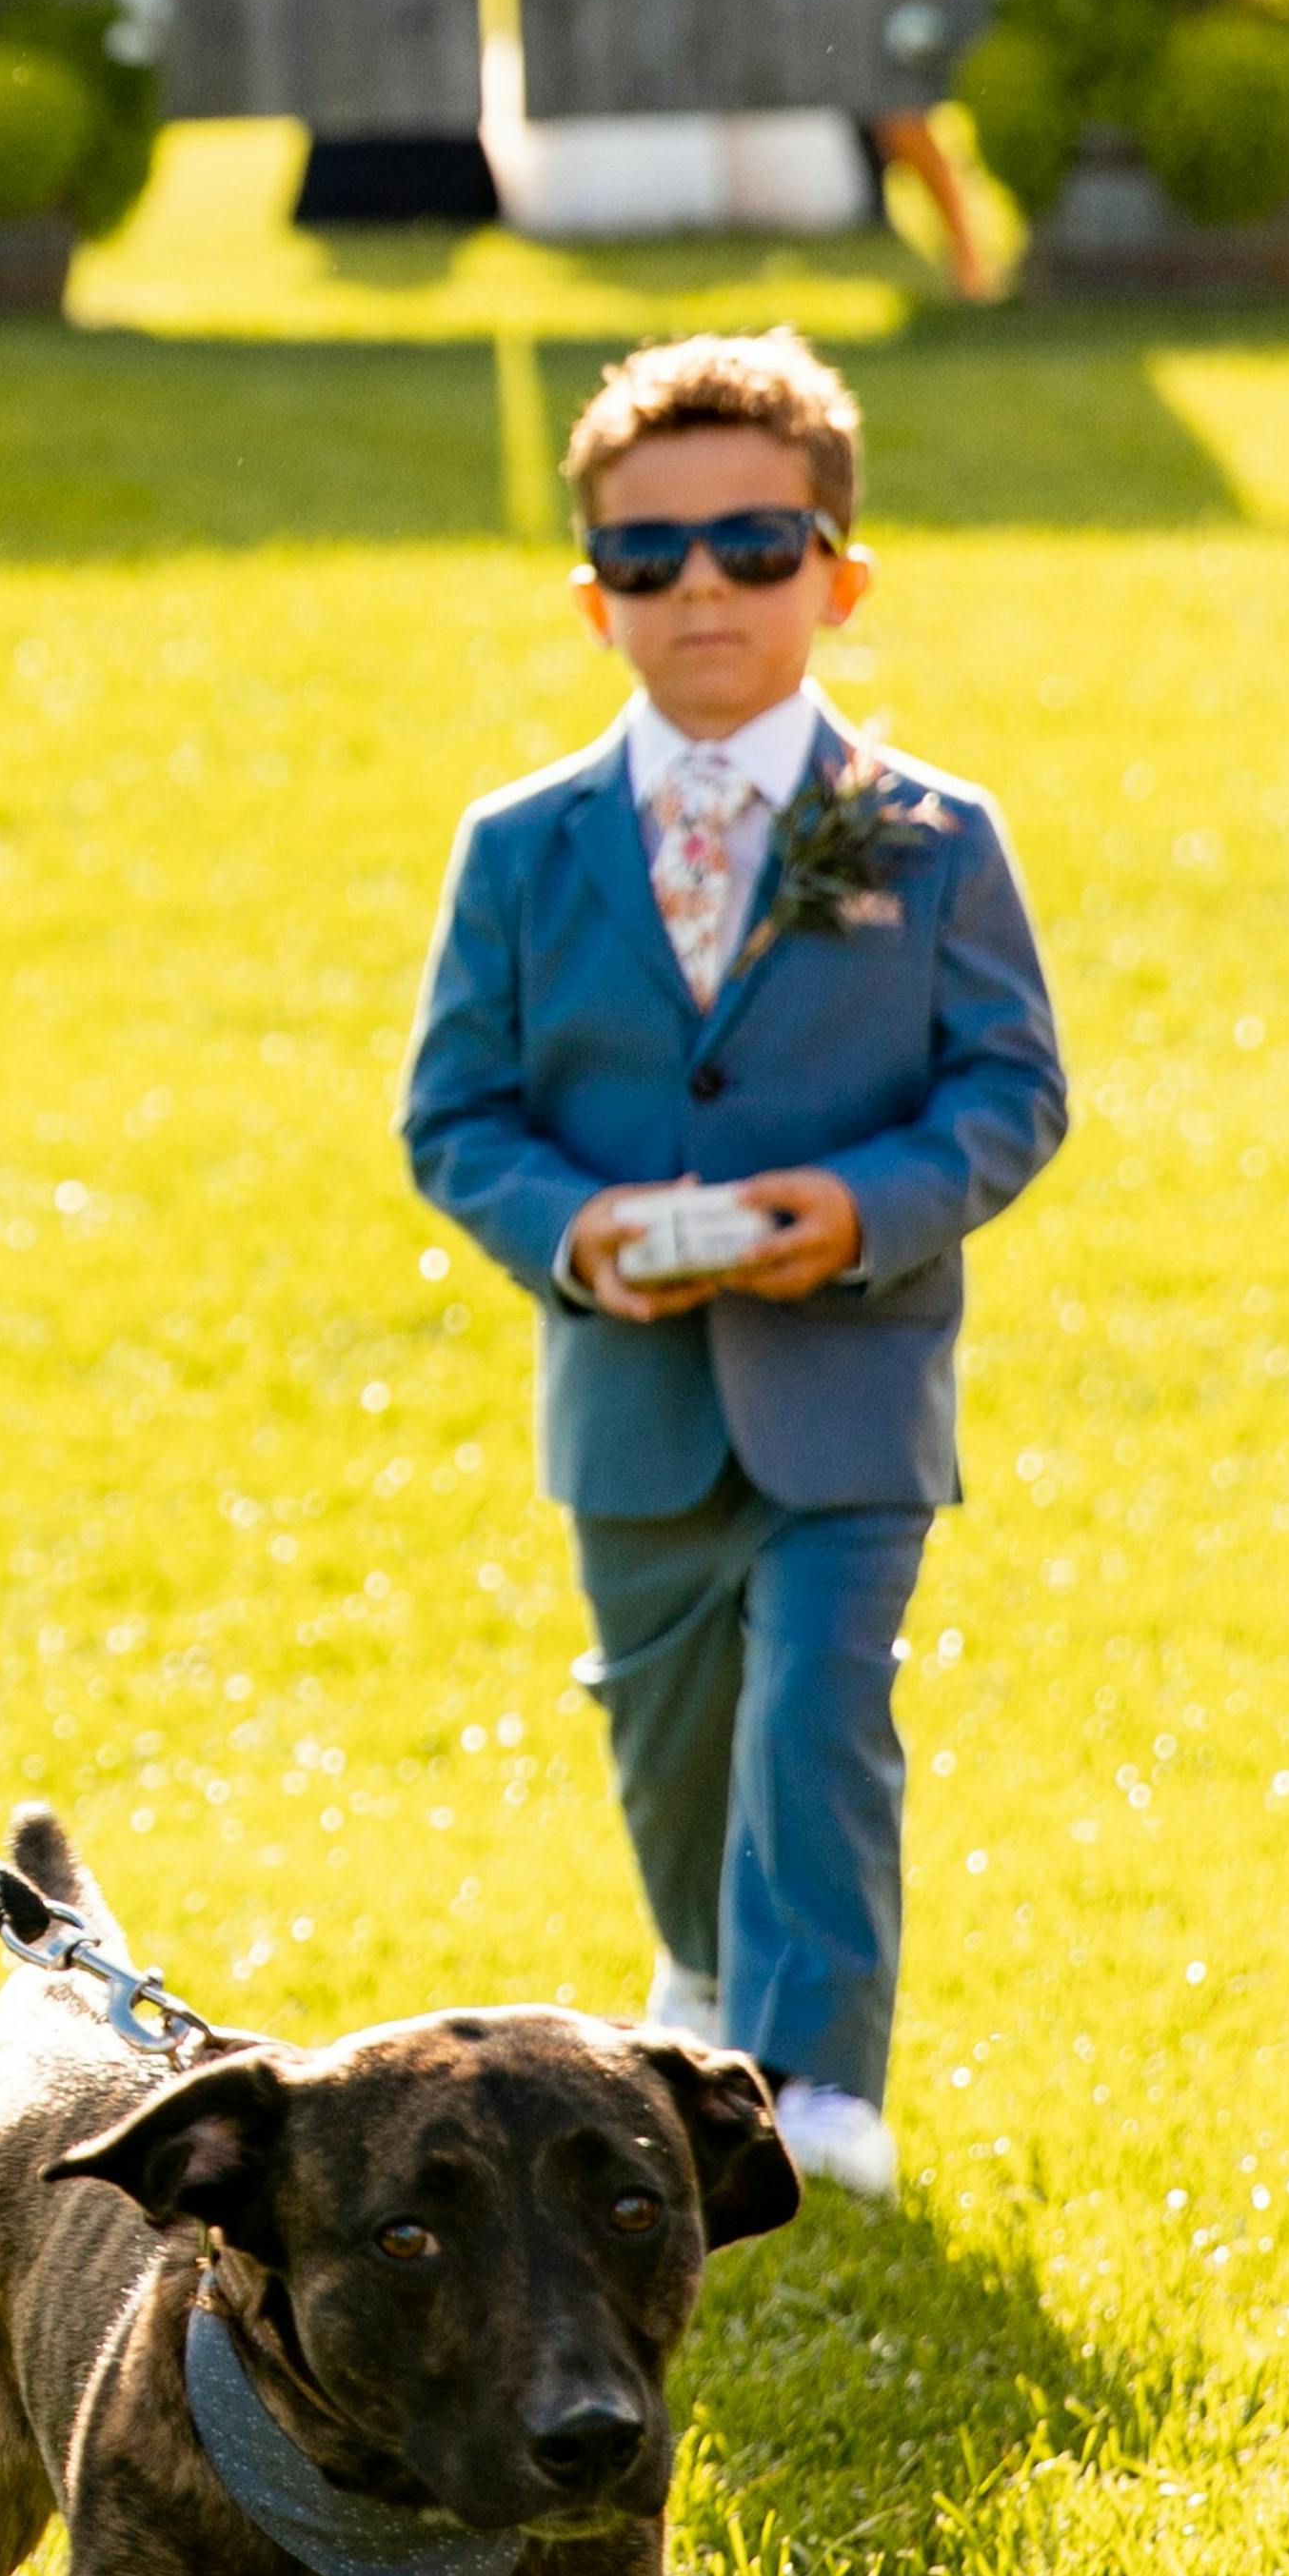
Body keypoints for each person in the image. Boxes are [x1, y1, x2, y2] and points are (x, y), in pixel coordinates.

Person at [399, 330, 1065, 2202]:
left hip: (846, 1384)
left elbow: (1008, 1088)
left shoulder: (929, 835)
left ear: (835, 581)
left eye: (753, 547)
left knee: (814, 1716)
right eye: (648, 558)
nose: (700, 587)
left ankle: (812, 2080)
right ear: (590, 599)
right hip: (625, 1393)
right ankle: (697, 1963)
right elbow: (454, 1115)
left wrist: (856, 1211)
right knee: (666, 1723)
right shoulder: (521, 849)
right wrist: (575, 1232)